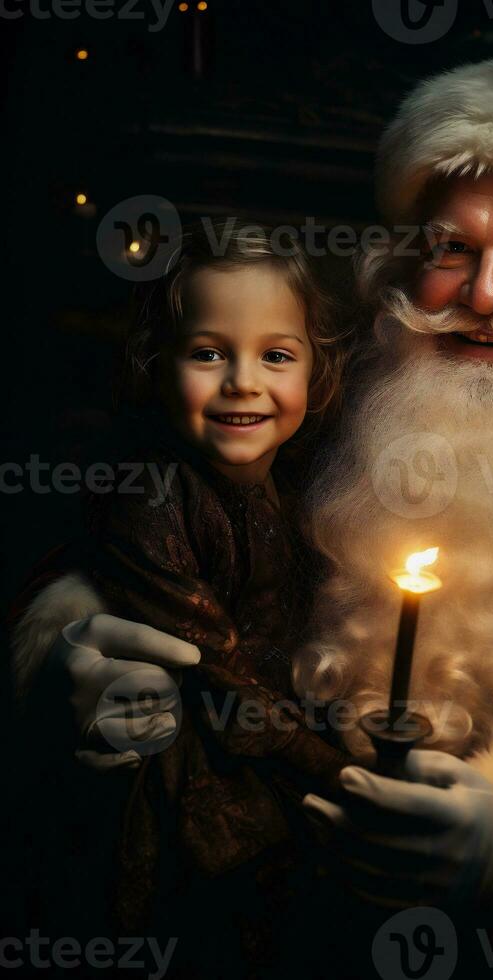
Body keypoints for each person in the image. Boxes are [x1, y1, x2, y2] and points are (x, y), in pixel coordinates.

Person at [13, 59, 493, 976]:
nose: (485, 296)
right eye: (451, 250)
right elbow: (131, 534)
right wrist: (66, 649)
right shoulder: (332, 429)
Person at [12, 219, 355, 977]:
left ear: (315, 372)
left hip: (279, 763)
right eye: (207, 353)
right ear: (158, 367)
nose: (242, 380)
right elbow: (216, 671)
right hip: (191, 770)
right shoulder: (152, 495)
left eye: (276, 355)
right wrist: (340, 773)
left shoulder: (304, 494)